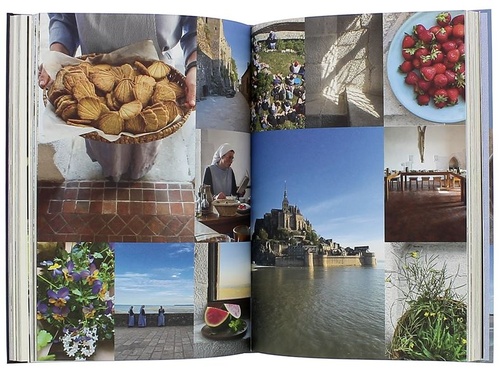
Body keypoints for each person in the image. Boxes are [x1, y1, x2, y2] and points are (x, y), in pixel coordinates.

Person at [38, 14, 197, 182]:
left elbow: (197, 23)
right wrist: (56, 56)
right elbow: (64, 18)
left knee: (143, 150)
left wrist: (194, 66)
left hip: (153, 81)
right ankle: (110, 171)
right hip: (94, 76)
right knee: (107, 154)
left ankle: (140, 170)